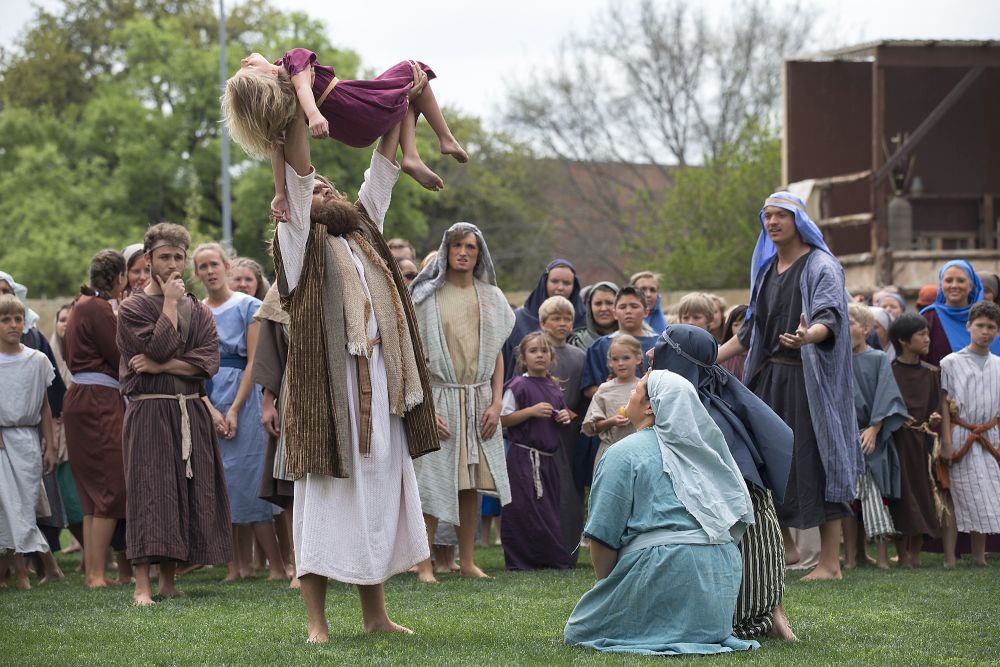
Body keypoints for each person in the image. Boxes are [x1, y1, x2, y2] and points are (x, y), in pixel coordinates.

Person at [270, 104, 438, 640]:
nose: (322, 189)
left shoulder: (362, 231)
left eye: (327, 186)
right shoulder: (296, 244)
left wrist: (395, 106)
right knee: (322, 502)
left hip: (382, 386)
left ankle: (375, 617)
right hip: (328, 393)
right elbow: (296, 173)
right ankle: (316, 623)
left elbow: (381, 171)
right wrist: (297, 113)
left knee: (378, 494)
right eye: (313, 189)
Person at [718, 191, 862, 582]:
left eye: (782, 215)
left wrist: (807, 336)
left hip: (808, 383)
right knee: (763, 460)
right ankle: (786, 545)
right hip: (769, 379)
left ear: (799, 220)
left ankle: (830, 564)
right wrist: (706, 355)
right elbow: (750, 333)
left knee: (815, 460)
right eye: (767, 216)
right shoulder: (766, 271)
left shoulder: (821, 266)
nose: (773, 222)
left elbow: (829, 318)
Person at [563, 370, 758, 656]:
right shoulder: (708, 453)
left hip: (665, 566)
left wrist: (609, 588)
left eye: (636, 390)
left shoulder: (621, 453)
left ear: (650, 406)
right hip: (720, 574)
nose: (629, 393)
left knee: (579, 630)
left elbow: (603, 535)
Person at [651, 325, 795, 641]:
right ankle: (773, 614)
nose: (650, 354)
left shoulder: (694, 406)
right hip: (749, 499)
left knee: (746, 550)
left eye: (660, 348)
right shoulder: (717, 389)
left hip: (734, 503)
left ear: (677, 357)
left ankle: (762, 615)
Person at [117, 222, 233, 605]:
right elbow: (158, 346)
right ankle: (142, 585)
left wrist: (163, 366)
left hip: (188, 410)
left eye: (178, 257)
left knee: (179, 493)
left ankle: (168, 580)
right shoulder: (132, 307)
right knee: (150, 492)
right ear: (148, 260)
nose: (172, 264)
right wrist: (167, 304)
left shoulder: (197, 309)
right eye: (164, 257)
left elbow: (208, 362)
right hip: (150, 413)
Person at [410, 222, 513, 583]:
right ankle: (424, 564)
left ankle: (466, 560)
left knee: (471, 482)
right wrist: (425, 408)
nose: (464, 252)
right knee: (432, 480)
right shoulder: (426, 297)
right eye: (457, 246)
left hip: (480, 400)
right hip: (439, 397)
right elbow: (413, 358)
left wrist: (497, 402)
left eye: (471, 246)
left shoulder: (492, 297)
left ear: (479, 252)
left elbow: (497, 353)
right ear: (446, 251)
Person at [223, 52, 466, 200]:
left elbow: (277, 147)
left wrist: (279, 194)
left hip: (353, 132)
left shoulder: (285, 104)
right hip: (358, 105)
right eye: (248, 67)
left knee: (403, 94)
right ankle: (444, 138)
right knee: (412, 68)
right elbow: (303, 88)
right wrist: (315, 115)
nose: (245, 60)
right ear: (270, 77)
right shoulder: (291, 62)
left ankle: (412, 157)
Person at [194, 243, 286, 582]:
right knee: (223, 484)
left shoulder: (249, 306)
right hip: (208, 396)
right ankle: (236, 565)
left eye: (214, 264)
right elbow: (194, 366)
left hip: (243, 400)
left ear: (226, 265)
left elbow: (254, 360)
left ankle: (276, 565)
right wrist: (209, 407)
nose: (209, 271)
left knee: (249, 479)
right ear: (197, 273)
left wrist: (232, 410)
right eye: (202, 267)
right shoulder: (197, 310)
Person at [62, 250, 130, 588]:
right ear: (119, 277)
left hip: (80, 397)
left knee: (91, 493)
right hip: (98, 401)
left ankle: (94, 570)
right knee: (109, 485)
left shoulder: (79, 305)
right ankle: (97, 574)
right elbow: (119, 353)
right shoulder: (98, 308)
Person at [513, 295, 587, 561]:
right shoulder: (532, 351)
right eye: (556, 318)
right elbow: (516, 391)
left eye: (567, 319)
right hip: (534, 436)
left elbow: (585, 398)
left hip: (567, 434)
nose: (562, 323)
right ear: (543, 322)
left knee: (568, 492)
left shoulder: (579, 356)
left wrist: (571, 413)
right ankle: (535, 550)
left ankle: (567, 548)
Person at [499, 332, 573, 570]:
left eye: (544, 351)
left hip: (547, 461)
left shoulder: (553, 386)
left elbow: (561, 413)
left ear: (551, 356)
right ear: (523, 357)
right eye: (533, 351)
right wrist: (530, 412)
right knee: (523, 509)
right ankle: (521, 559)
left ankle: (548, 557)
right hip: (523, 458)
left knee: (547, 509)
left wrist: (563, 416)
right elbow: (503, 419)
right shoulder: (518, 385)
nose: (539, 355)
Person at [844, 303, 908, 570]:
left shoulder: (879, 358)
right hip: (846, 437)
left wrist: (874, 428)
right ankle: (851, 557)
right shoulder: (837, 360)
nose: (844, 329)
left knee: (876, 496)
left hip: (874, 437)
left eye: (849, 323)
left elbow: (888, 394)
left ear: (866, 328)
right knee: (848, 500)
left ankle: (881, 558)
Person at [0, 294, 57, 590]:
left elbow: (45, 407)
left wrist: (51, 443)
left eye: (17, 319)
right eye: (5, 319)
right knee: (4, 506)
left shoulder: (37, 360)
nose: (12, 324)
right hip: (1, 441)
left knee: (22, 505)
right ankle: (16, 574)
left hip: (26, 441)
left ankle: (25, 572)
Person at [939, 300, 1000, 566]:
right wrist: (946, 442)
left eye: (991, 327)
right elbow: (943, 405)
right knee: (955, 496)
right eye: (980, 325)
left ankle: (979, 556)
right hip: (961, 434)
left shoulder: (999, 365)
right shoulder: (950, 363)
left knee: (985, 492)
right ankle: (950, 557)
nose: (985, 331)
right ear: (968, 326)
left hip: (990, 437)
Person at [887, 313, 943, 567]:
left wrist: (935, 417)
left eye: (927, 333)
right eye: (921, 334)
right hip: (897, 444)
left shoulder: (932, 373)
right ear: (903, 340)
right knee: (901, 496)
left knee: (923, 494)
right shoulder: (888, 372)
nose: (927, 339)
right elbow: (883, 406)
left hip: (923, 445)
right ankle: (902, 554)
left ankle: (916, 554)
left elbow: (936, 407)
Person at [252, 284, 297, 586]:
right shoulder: (278, 290)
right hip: (294, 396)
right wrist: (269, 401)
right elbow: (271, 350)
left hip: (340, 394)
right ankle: (302, 563)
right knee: (295, 485)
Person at [503, 260, 587, 381]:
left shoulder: (583, 321)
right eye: (555, 281)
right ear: (544, 282)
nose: (560, 287)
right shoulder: (519, 320)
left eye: (567, 283)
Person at [50, 304, 85, 562]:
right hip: (57, 436)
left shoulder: (86, 355)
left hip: (81, 434)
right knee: (65, 496)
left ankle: (99, 553)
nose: (65, 324)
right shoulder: (48, 355)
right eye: (61, 320)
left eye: (70, 320)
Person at [580, 286, 657, 399]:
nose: (628, 311)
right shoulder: (600, 346)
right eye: (622, 307)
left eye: (634, 306)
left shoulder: (659, 344)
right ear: (614, 313)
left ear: (646, 312)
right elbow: (589, 388)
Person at [920, 260, 1000, 366]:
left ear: (971, 285)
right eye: (948, 280)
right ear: (941, 284)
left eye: (961, 281)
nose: (954, 285)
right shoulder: (928, 317)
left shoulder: (987, 316)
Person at [582, 335, 641, 471]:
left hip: (638, 452)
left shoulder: (644, 386)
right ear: (609, 362)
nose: (620, 363)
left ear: (638, 359)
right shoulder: (604, 389)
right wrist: (611, 421)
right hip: (610, 452)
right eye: (615, 359)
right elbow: (592, 427)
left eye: (626, 358)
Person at [567, 281, 618, 351]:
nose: (603, 309)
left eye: (609, 303)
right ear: (589, 307)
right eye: (598, 304)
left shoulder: (632, 340)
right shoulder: (576, 342)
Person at [720, 305, 749, 380]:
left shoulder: (759, 355)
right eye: (736, 325)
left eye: (745, 325)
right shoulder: (723, 356)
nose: (740, 329)